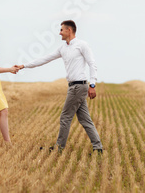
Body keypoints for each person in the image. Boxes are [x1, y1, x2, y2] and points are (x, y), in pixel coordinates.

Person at [17, 20, 103, 154]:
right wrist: (24, 65)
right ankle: (98, 147)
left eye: (62, 30)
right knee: (85, 119)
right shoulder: (63, 48)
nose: (59, 32)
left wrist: (92, 84)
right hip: (73, 87)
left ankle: (59, 148)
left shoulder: (82, 45)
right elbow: (45, 59)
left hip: (79, 86)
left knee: (65, 117)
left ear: (69, 30)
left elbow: (92, 64)